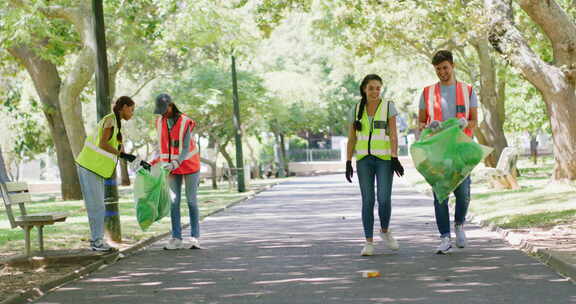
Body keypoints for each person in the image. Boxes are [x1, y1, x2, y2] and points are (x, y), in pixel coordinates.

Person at [418, 50, 478, 254]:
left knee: (463, 194)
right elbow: (420, 122)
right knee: (440, 195)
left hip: (461, 150)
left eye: (445, 67)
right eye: (438, 69)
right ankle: (444, 237)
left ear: (453, 66)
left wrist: (465, 123)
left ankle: (459, 224)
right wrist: (428, 126)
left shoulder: (467, 90)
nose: (442, 72)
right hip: (438, 152)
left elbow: (474, 121)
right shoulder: (427, 93)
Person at [76, 96, 150, 251]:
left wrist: (139, 163)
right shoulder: (110, 120)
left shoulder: (116, 124)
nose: (132, 113)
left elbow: (120, 152)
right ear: (123, 107)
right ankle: (96, 242)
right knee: (96, 206)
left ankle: (97, 241)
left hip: (95, 168)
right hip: (89, 166)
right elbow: (103, 144)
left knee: (98, 206)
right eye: (131, 109)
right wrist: (123, 155)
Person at [345, 74, 404, 256]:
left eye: (378, 88)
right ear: (364, 89)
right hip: (364, 160)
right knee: (368, 200)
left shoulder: (388, 107)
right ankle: (368, 242)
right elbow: (352, 138)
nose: (375, 91)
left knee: (384, 199)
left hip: (384, 160)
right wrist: (348, 161)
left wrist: (394, 157)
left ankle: (385, 231)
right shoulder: (356, 110)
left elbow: (393, 134)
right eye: (371, 88)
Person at [151, 93, 201, 250]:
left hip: (189, 164)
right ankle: (176, 238)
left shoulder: (185, 122)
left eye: (164, 110)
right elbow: (160, 145)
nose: (163, 114)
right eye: (160, 111)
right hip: (171, 167)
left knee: (191, 201)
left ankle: (194, 237)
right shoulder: (159, 122)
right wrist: (154, 161)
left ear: (171, 106)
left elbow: (185, 148)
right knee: (174, 202)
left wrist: (175, 163)